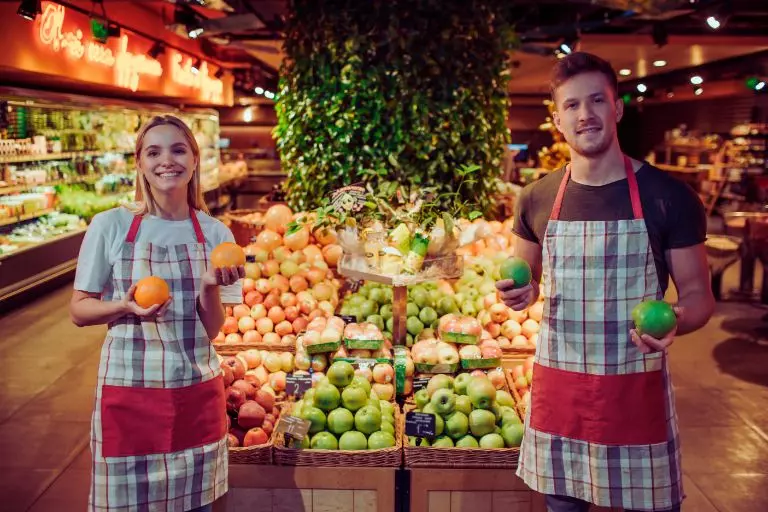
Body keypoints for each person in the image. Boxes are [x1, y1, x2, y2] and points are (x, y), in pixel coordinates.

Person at [496, 52, 714, 512]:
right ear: (557, 119)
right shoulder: (536, 199)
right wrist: (521, 293)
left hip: (634, 397)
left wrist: (677, 319)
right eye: (572, 105)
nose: (585, 115)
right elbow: (527, 280)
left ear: (616, 107)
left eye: (596, 101)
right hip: (561, 397)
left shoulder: (668, 197)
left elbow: (698, 297)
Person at [70, 115, 244, 512]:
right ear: (140, 164)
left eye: (178, 149)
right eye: (154, 151)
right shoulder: (111, 226)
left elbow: (212, 330)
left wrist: (208, 286)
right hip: (129, 389)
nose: (167, 160)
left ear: (195, 160)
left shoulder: (217, 235)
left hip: (194, 388)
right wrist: (124, 306)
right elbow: (79, 311)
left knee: (194, 507)